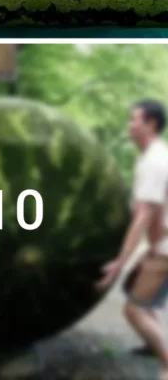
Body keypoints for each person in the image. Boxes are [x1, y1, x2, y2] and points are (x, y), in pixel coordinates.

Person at [96, 100, 168, 380]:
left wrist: (119, 261)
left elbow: (144, 216)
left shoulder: (154, 162)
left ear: (150, 124)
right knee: (144, 300)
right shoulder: (153, 156)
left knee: (134, 310)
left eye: (133, 120)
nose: (129, 125)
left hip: (165, 250)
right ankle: (154, 346)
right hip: (160, 246)